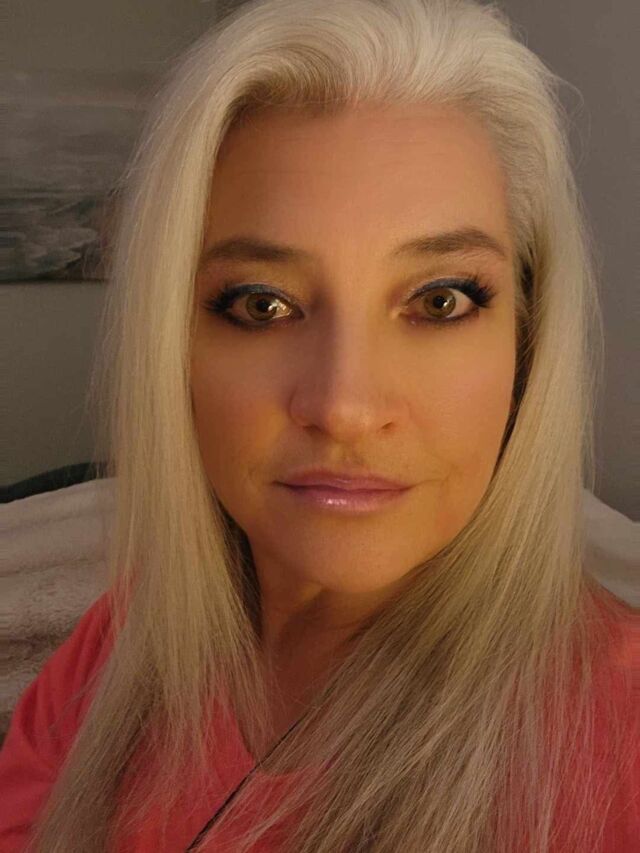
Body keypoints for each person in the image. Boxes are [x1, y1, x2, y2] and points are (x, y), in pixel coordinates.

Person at [0, 0, 637, 850]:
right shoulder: (119, 648)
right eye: (262, 304)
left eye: (441, 300)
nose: (344, 406)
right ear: (172, 345)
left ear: (528, 337)